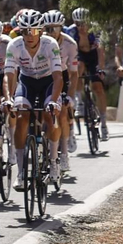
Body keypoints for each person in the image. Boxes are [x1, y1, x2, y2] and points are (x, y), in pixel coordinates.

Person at [3, 8, 64, 189]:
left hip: (48, 83)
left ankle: (53, 161)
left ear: (41, 31)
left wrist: (53, 101)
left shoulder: (50, 44)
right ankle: (21, 172)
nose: (30, 35)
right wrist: (8, 98)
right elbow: (9, 76)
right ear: (20, 31)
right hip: (27, 82)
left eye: (34, 31)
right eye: (25, 31)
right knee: (21, 118)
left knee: (50, 116)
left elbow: (58, 77)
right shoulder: (14, 45)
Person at [41, 9, 80, 174]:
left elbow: (74, 73)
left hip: (62, 76)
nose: (51, 32)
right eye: (47, 28)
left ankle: (63, 153)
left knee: (63, 111)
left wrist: (70, 95)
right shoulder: (39, 42)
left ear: (61, 28)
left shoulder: (70, 44)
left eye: (54, 28)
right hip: (43, 76)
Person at [66, 7, 109, 140]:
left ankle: (103, 123)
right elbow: (69, 53)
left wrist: (100, 68)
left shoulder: (96, 30)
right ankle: (79, 99)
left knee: (98, 88)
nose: (81, 27)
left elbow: (101, 50)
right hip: (80, 56)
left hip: (94, 56)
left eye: (84, 23)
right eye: (78, 23)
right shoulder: (71, 31)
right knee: (78, 67)